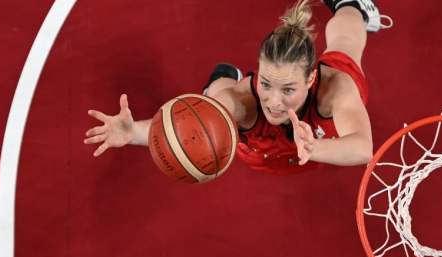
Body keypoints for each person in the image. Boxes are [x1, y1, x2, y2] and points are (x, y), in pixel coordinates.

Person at [84, 0, 392, 175]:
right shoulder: (245, 103)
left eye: (288, 90)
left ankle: (351, 2)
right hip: (259, 145)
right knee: (216, 96)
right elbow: (189, 127)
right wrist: (134, 133)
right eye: (267, 83)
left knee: (347, 36)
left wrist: (315, 148)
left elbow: (363, 148)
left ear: (311, 79)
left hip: (315, 135)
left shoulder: (336, 90)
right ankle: (223, 75)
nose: (273, 101)